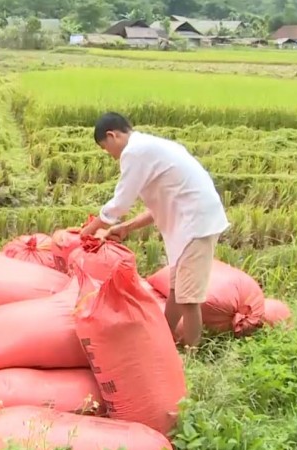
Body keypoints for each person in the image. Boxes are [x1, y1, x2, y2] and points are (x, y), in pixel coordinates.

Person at [80, 112, 229, 350]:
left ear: (112, 135)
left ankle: (191, 355)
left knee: (188, 298)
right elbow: (159, 206)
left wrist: (87, 231)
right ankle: (165, 338)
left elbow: (120, 203)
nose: (110, 155)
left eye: (105, 148)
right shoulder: (150, 147)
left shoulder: (134, 152)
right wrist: (126, 227)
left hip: (197, 224)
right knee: (176, 290)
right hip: (189, 223)